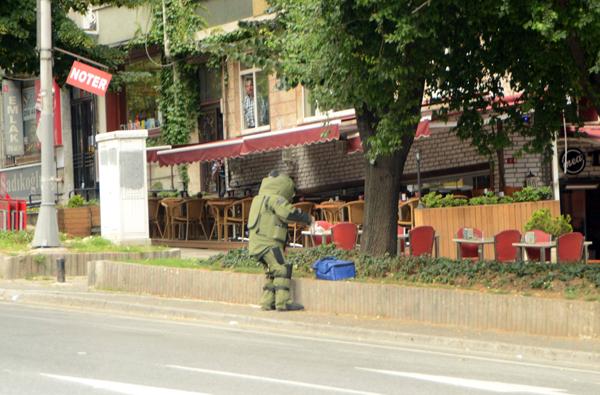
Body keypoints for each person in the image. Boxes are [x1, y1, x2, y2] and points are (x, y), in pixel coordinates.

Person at [248, 171, 313, 311]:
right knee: (283, 268)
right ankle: (283, 302)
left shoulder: (258, 199)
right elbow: (288, 213)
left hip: (256, 244)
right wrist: (308, 219)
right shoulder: (275, 199)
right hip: (269, 244)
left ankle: (267, 302)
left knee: (273, 271)